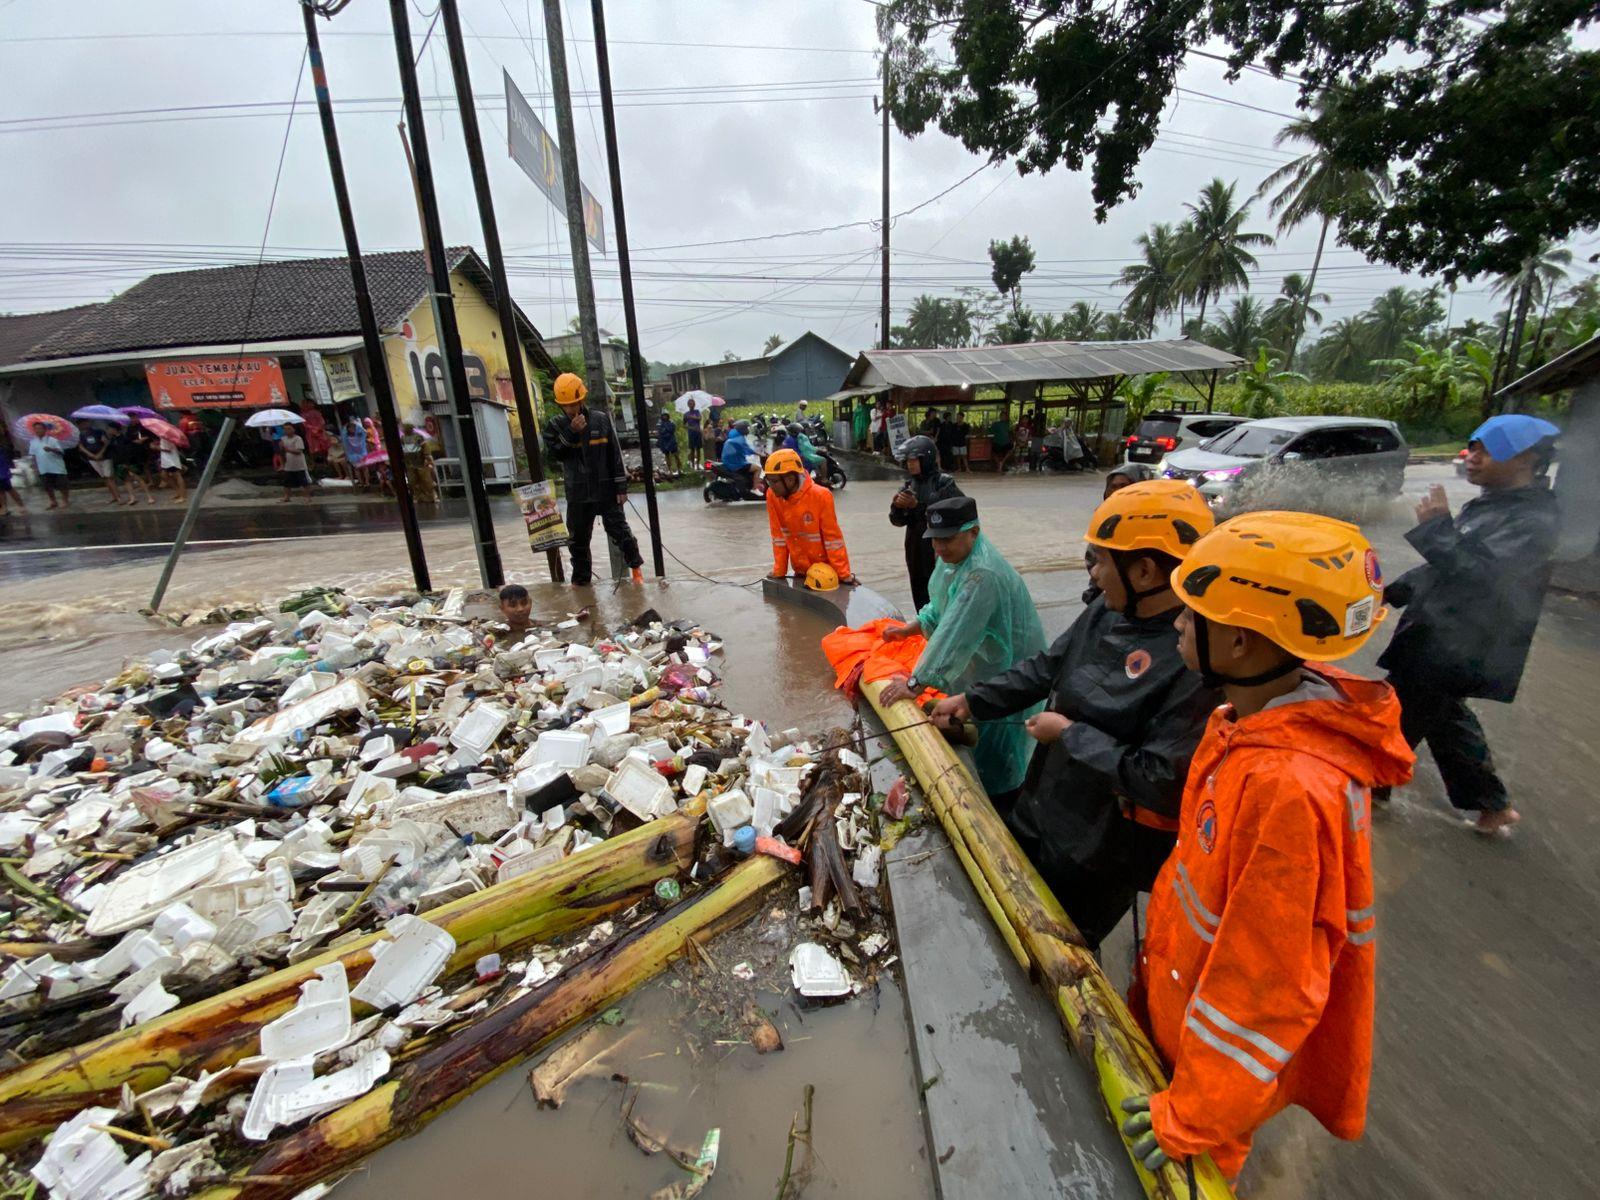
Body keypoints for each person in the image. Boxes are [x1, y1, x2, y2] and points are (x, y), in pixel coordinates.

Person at [1119, 510, 1412, 1184]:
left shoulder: (1288, 787)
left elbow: (1267, 982)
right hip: (1178, 1020)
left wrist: (1193, 1114)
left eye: (1193, 617)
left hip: (1209, 1087)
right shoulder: (1241, 725)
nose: (1176, 625)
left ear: (1245, 641)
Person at [931, 481, 1219, 943]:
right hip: (1043, 800)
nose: (1094, 574)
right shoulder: (1109, 608)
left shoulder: (1193, 658)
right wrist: (972, 700)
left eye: (1102, 561)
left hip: (1100, 851)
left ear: (1144, 571)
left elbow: (1162, 780)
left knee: (1059, 946)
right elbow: (1047, 666)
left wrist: (1068, 734)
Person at [1375, 413, 1560, 834]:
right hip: (1442, 634)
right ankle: (1491, 805)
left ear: (1526, 460)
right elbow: (1444, 569)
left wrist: (1437, 529)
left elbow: (1483, 578)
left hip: (1464, 640)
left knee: (1400, 711)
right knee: (1441, 716)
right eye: (1472, 446)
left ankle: (1371, 789)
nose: (1471, 457)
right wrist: (1389, 593)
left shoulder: (1534, 521)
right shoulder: (1493, 505)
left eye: (1486, 450)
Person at [881, 496, 1046, 802]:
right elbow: (942, 605)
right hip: (984, 669)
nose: (940, 548)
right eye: (935, 540)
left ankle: (1004, 809)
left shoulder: (982, 574)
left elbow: (955, 632)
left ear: (974, 531)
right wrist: (910, 628)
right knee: (978, 739)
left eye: (948, 539)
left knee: (1002, 754)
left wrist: (915, 684)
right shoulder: (952, 563)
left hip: (1008, 672)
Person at [544, 372, 644, 586]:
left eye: (574, 404)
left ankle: (637, 572)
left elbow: (614, 455)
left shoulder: (600, 420)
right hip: (578, 493)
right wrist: (571, 432)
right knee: (578, 542)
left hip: (605, 489)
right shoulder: (555, 426)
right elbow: (555, 456)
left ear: (582, 400)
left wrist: (621, 487)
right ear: (560, 405)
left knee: (621, 532)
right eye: (566, 406)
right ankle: (581, 585)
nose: (571, 410)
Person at [889, 434, 964, 610]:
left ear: (927, 458)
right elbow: (897, 521)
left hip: (939, 548)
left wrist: (918, 506)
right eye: (908, 460)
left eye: (914, 460)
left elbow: (956, 512)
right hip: (915, 548)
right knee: (919, 593)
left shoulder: (944, 482)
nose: (910, 464)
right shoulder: (908, 485)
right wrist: (897, 507)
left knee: (941, 593)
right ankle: (924, 632)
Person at [764, 449, 855, 586]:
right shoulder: (772, 496)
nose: (771, 486)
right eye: (769, 481)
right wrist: (779, 571)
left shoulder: (821, 496)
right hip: (800, 571)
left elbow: (833, 539)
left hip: (824, 572)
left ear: (790, 479)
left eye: (774, 481)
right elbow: (778, 536)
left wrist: (843, 575)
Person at [27, 422, 70, 510]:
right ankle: (53, 501)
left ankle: (65, 500)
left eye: (40, 428)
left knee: (62, 485)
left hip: (56, 467)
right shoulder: (33, 442)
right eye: (36, 429)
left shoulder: (52, 440)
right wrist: (35, 468)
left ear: (45, 429)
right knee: (47, 487)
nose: (38, 430)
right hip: (43, 468)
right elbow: (33, 456)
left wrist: (51, 449)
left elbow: (61, 452)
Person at [78, 423, 123, 505]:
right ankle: (114, 496)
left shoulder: (98, 431)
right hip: (92, 458)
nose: (82, 425)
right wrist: (91, 455)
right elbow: (81, 447)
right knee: (105, 478)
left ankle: (118, 497)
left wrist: (100, 453)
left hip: (105, 457)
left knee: (109, 477)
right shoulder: (81, 435)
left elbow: (106, 443)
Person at [109, 426, 153, 505]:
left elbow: (129, 451)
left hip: (129, 462)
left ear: (114, 429)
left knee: (137, 478)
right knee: (126, 480)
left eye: (110, 429)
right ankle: (132, 497)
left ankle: (149, 496)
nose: (108, 430)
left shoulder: (125, 439)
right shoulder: (112, 440)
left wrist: (127, 463)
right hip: (119, 463)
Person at [720, 418, 759, 494]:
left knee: (750, 464)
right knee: (758, 468)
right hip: (735, 463)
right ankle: (755, 489)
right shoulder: (740, 438)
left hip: (730, 460)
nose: (748, 429)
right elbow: (747, 449)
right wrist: (759, 454)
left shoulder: (734, 435)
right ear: (743, 428)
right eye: (747, 428)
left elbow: (744, 449)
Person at [279, 425, 311, 502]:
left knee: (303, 481)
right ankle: (287, 496)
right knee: (286, 481)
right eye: (285, 429)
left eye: (289, 429)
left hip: (299, 464)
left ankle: (307, 497)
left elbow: (299, 451)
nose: (287, 431)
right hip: (288, 464)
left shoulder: (298, 438)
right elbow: (282, 453)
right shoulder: (283, 439)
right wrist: (281, 448)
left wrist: (287, 449)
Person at [155, 433, 187, 504]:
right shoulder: (162, 437)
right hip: (166, 460)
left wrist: (156, 447)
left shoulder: (167, 437)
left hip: (171, 460)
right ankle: (178, 491)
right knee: (164, 475)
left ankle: (183, 496)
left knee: (177, 476)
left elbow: (168, 449)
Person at [0, 435, 25, 515]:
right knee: (1, 491)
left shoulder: (3, 448)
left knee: (9, 489)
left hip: (2, 472)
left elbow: (5, 460)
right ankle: (4, 507)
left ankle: (21, 505)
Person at [342, 416, 369, 487]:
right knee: (356, 468)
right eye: (350, 428)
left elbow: (365, 432)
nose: (352, 429)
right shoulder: (346, 436)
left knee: (364, 468)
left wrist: (357, 424)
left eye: (353, 428)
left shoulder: (360, 433)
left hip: (362, 453)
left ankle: (367, 482)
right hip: (353, 454)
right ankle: (361, 482)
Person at [656, 410, 682, 477]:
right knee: (667, 456)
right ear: (662, 416)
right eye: (663, 415)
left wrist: (666, 429)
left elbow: (672, 430)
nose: (665, 417)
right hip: (664, 441)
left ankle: (679, 470)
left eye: (666, 415)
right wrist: (666, 430)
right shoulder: (660, 424)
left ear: (668, 416)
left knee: (676, 455)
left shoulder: (671, 422)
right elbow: (661, 432)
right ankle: (670, 471)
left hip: (672, 440)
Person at [682, 398, 703, 462]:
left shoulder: (697, 411)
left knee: (698, 449)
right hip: (691, 433)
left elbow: (700, 418)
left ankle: (698, 464)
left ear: (694, 404)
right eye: (690, 404)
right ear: (688, 405)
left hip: (698, 432)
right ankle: (693, 464)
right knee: (692, 449)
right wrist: (689, 427)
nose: (691, 405)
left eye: (692, 403)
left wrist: (694, 417)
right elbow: (684, 425)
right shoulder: (686, 414)